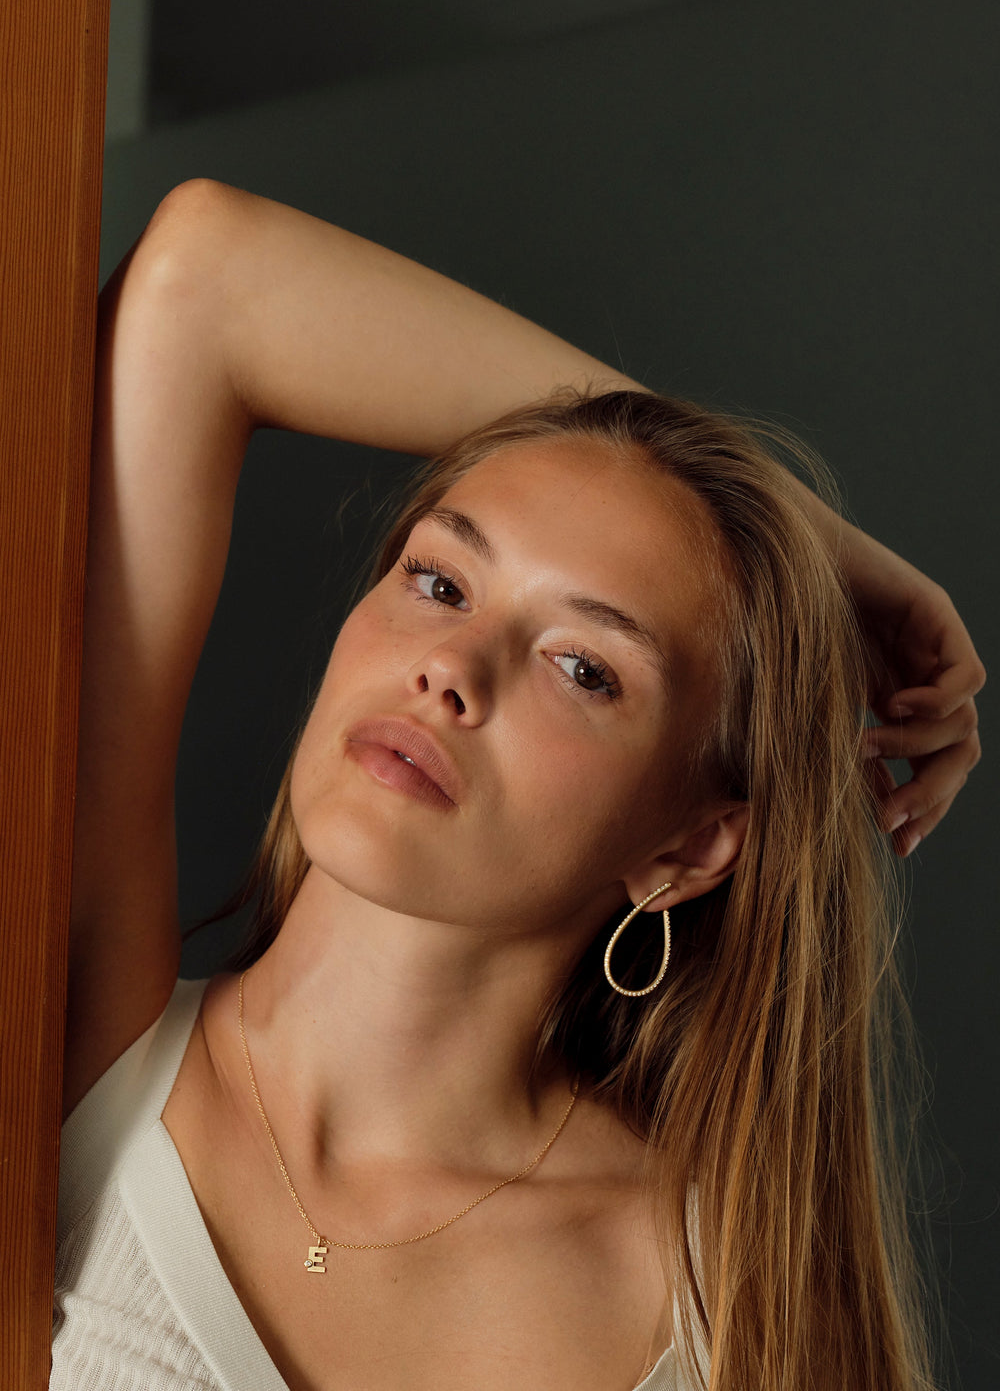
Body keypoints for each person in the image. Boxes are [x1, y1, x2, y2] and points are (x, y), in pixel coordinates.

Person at [53, 178, 984, 1391]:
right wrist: (815, 541)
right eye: (440, 582)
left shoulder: (725, 1301)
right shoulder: (87, 1040)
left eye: (582, 665)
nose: (452, 666)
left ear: (690, 846)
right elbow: (205, 278)